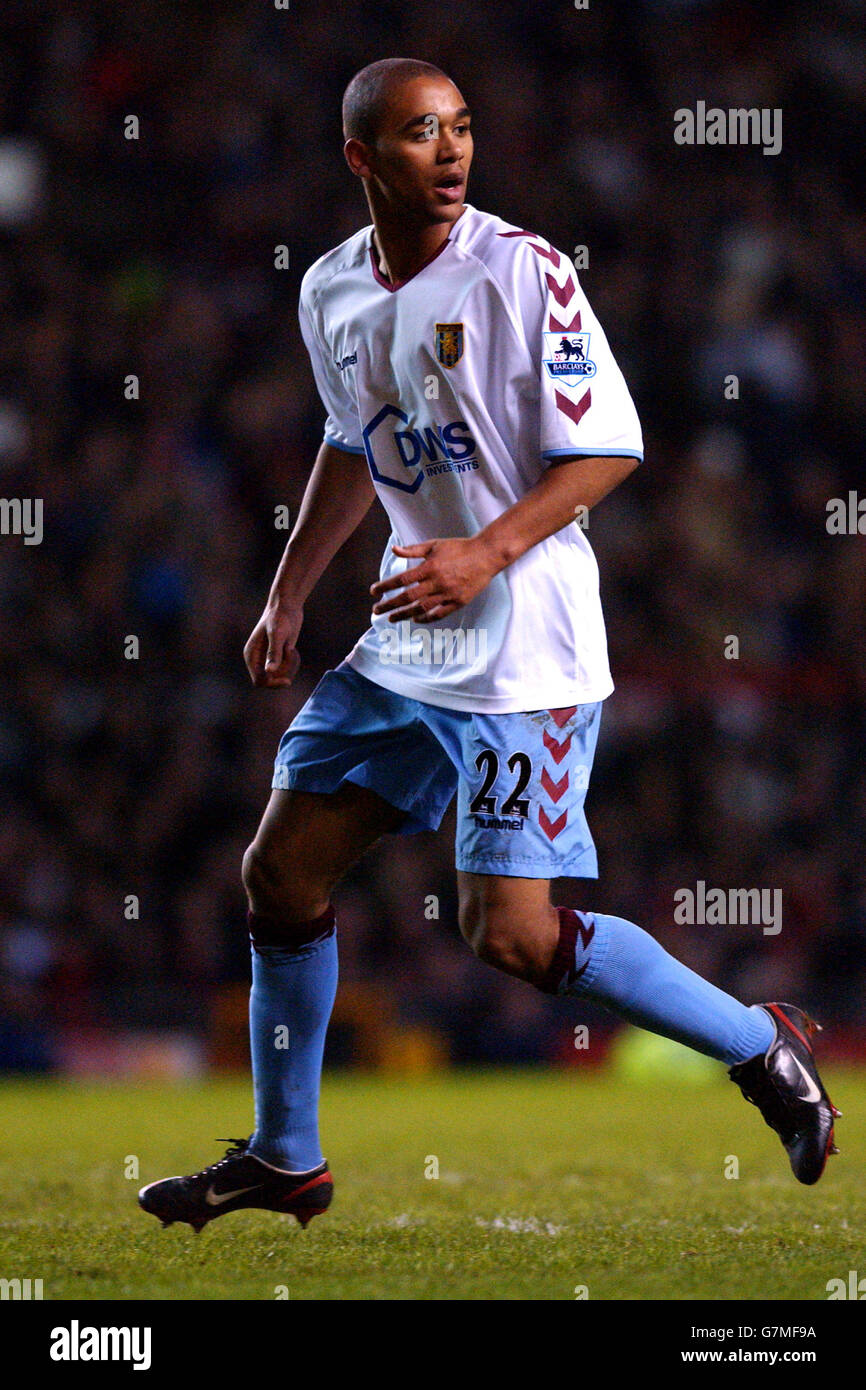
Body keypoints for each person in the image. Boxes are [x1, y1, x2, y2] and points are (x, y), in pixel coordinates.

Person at [139, 58, 839, 1234]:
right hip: (411, 637)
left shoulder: (522, 270)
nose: (453, 151)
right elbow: (351, 441)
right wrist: (286, 592)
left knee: (507, 934)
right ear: (362, 158)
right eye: (422, 134)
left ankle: (754, 1044)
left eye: (462, 128)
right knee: (281, 870)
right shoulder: (328, 292)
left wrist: (480, 553)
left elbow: (607, 449)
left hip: (527, 645)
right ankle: (284, 1155)